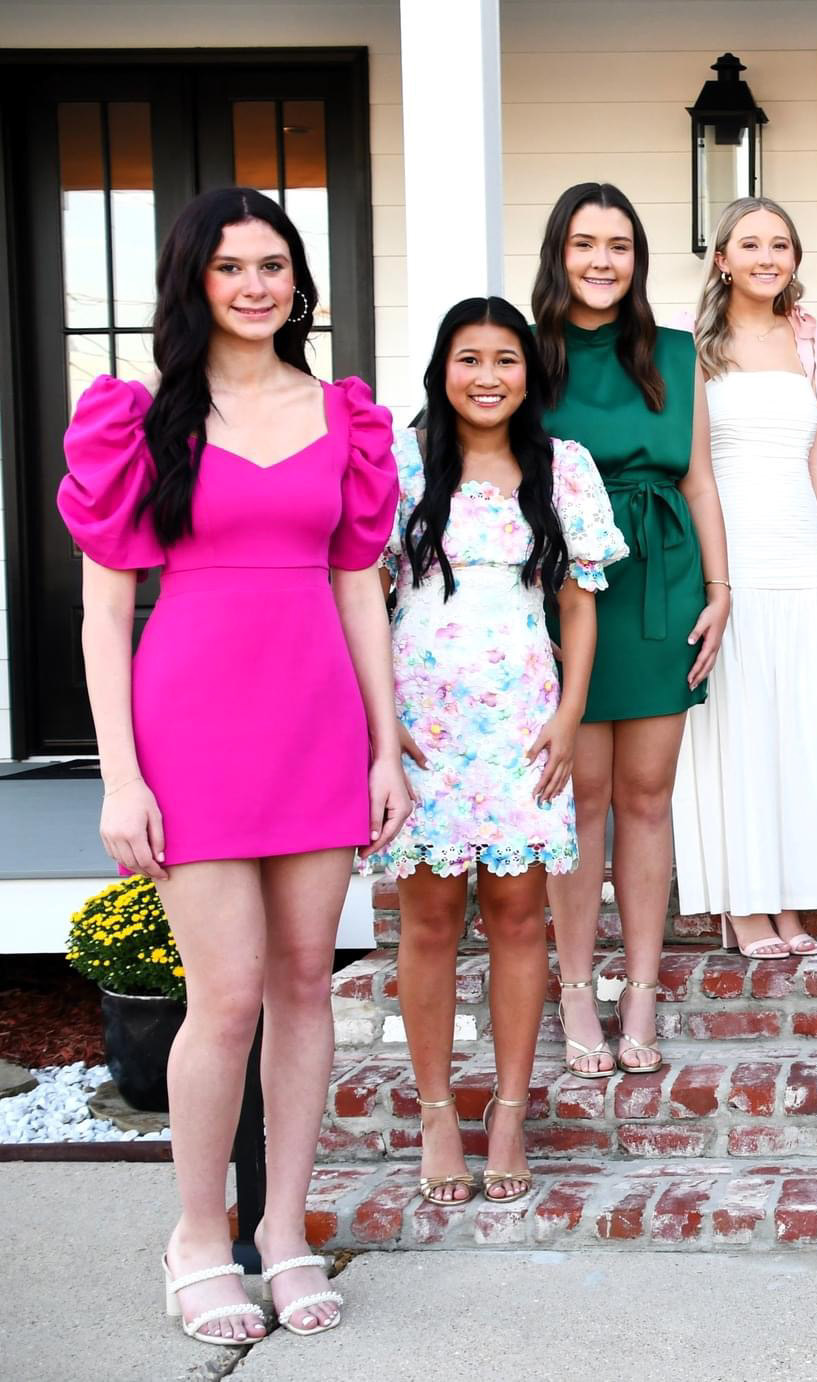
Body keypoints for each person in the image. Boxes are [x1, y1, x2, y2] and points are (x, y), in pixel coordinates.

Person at [60, 187, 404, 1342]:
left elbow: (358, 582)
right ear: (193, 283)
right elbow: (107, 616)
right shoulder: (143, 419)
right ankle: (199, 1236)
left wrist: (384, 741)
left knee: (308, 983)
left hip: (315, 721)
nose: (258, 285)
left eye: (275, 265)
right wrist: (120, 774)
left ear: (299, 283)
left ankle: (285, 1229)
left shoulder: (342, 415)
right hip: (190, 724)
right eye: (232, 267)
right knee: (228, 995)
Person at [372, 297, 625, 1206]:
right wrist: (377, 724)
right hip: (422, 724)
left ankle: (510, 1111)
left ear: (531, 372)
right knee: (429, 919)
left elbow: (581, 604)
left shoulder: (562, 468)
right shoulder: (400, 465)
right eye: (469, 358)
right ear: (442, 368)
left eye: (506, 360)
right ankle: (439, 1112)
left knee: (522, 915)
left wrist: (569, 717)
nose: (488, 376)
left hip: (523, 718)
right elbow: (359, 593)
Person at [534, 182, 732, 1079]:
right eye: (585, 244)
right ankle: (576, 990)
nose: (602, 261)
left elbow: (695, 481)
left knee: (648, 797)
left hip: (661, 576)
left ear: (637, 259)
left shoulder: (678, 353)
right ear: (559, 253)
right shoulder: (526, 354)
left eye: (619, 244)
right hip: (563, 584)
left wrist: (720, 588)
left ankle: (643, 990)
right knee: (578, 801)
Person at [671, 198, 817, 957]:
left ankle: (788, 897)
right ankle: (741, 902)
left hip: (798, 550)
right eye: (749, 244)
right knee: (739, 723)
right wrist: (710, 572)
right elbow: (692, 466)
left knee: (799, 721)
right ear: (721, 259)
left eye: (779, 244)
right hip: (729, 553)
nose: (766, 256)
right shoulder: (690, 345)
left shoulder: (805, 333)